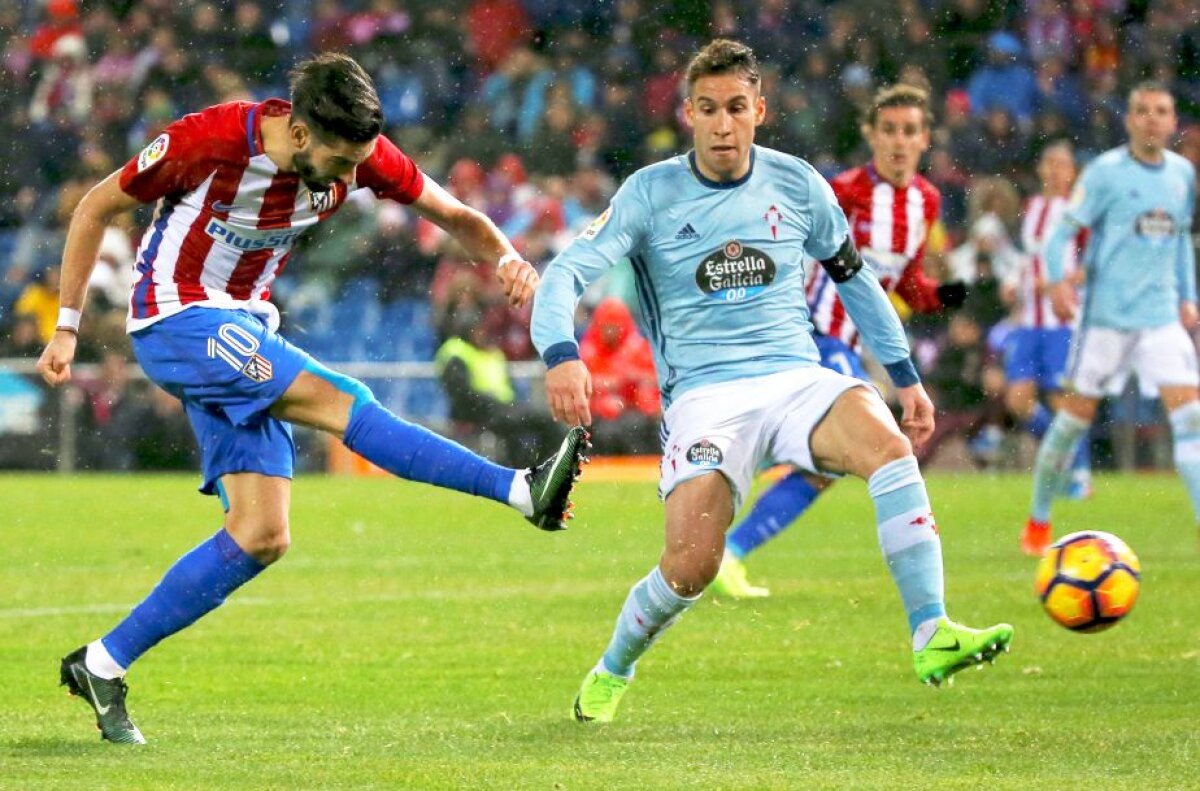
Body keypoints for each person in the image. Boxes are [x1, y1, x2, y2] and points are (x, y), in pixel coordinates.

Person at [36, 53, 588, 745]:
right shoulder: (205, 139)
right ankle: (520, 489)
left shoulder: (357, 153)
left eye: (361, 162)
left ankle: (101, 662)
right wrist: (67, 325)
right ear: (298, 133)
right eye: (341, 160)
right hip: (175, 318)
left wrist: (506, 255)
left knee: (261, 535)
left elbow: (455, 215)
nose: (354, 178)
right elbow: (95, 206)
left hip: (240, 323)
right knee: (339, 399)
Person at [531, 40, 1013, 723]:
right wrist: (560, 352)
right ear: (688, 114)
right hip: (704, 397)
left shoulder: (797, 184)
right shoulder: (649, 192)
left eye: (735, 108)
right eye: (707, 109)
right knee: (690, 565)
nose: (722, 124)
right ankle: (616, 665)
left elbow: (858, 282)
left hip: (795, 376)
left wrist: (905, 377)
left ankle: (930, 631)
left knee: (889, 448)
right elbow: (564, 275)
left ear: (758, 110)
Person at [711, 83, 968, 598]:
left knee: (820, 464)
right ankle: (723, 536)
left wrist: (942, 297)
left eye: (910, 131)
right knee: (845, 450)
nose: (899, 141)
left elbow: (903, 282)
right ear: (870, 134)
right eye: (889, 130)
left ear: (925, 139)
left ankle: (721, 539)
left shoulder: (926, 201)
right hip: (814, 336)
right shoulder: (844, 190)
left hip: (847, 347)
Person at [1022, 82, 1198, 555]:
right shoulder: (1104, 173)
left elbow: (1180, 239)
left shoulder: (1182, 174)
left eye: (1161, 111)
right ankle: (1038, 521)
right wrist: (1059, 283)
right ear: (1129, 119)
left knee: (1192, 419)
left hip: (1160, 318)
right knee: (1072, 422)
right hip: (1105, 322)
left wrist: (1189, 298)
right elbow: (1060, 234)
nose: (1152, 119)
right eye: (1142, 111)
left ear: (1172, 120)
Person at [1002, 142, 1092, 518]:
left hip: (1062, 321)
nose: (1055, 171)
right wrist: (1015, 280)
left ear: (1073, 173)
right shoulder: (1033, 208)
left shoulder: (1080, 213)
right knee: (1018, 400)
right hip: (1029, 322)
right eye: (1050, 163)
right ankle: (1061, 456)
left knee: (1063, 401)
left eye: (1062, 165)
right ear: (1041, 169)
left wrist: (1060, 283)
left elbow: (1091, 264)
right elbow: (1029, 258)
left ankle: (1079, 474)